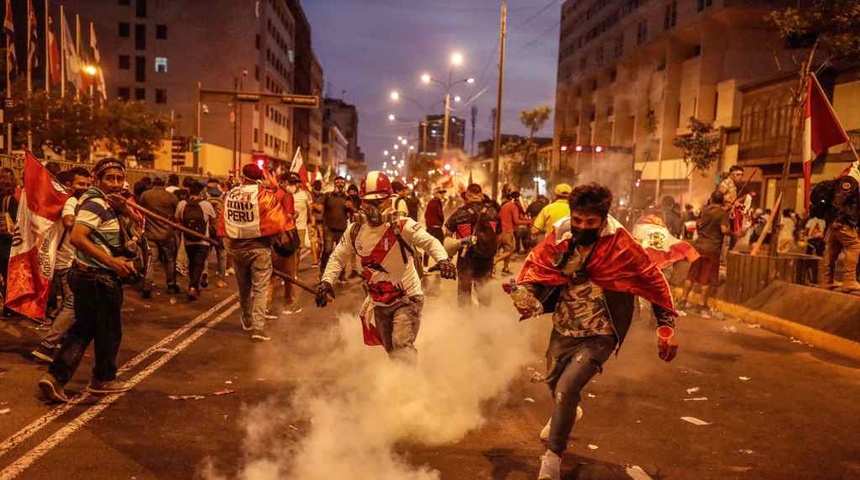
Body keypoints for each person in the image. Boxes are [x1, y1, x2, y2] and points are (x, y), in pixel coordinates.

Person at [509, 183, 678, 480]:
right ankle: (569, 411)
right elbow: (538, 266)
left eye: (590, 222)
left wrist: (666, 325)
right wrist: (526, 293)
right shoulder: (561, 235)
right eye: (578, 220)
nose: (582, 227)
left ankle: (552, 458)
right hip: (564, 326)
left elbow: (652, 280)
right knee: (554, 384)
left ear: (602, 220)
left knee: (566, 388)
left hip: (602, 331)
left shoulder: (621, 244)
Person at [315, 171, 456, 361]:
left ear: (389, 201)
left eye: (378, 202)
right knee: (390, 349)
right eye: (368, 203)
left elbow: (430, 242)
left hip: (407, 298)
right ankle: (398, 383)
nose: (373, 208)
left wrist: (443, 260)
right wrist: (326, 281)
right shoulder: (355, 230)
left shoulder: (403, 225)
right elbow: (338, 257)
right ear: (361, 202)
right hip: (379, 301)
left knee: (401, 345)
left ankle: (409, 387)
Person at [38, 159, 140, 403]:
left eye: (119, 178)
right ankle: (103, 379)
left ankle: (54, 378)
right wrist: (113, 262)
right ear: (97, 179)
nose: (115, 184)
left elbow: (137, 229)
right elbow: (77, 237)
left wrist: (125, 210)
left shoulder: (109, 203)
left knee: (83, 329)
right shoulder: (94, 204)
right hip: (97, 278)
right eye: (109, 179)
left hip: (91, 276)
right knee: (109, 332)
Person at [220, 164, 291, 341]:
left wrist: (227, 243)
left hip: (237, 249)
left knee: (244, 289)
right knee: (260, 289)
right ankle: (258, 328)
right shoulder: (265, 196)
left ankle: (247, 320)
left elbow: (224, 220)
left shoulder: (231, 195)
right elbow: (279, 222)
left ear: (243, 176)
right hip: (260, 249)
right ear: (259, 177)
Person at [31, 168, 91, 362]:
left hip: (62, 261)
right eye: (81, 184)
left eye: (88, 184)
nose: (85, 188)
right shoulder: (72, 202)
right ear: (69, 185)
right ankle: (47, 346)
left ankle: (60, 342)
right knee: (74, 304)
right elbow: (68, 221)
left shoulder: (71, 201)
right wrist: (85, 223)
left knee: (70, 305)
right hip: (67, 263)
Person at [679, 191, 746, 316]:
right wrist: (735, 234)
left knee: (691, 275)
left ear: (711, 199)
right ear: (722, 201)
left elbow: (705, 220)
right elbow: (724, 229)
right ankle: (701, 304)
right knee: (707, 278)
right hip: (712, 249)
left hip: (698, 247)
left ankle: (683, 300)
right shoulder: (722, 213)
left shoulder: (704, 211)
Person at [445, 183, 501, 307]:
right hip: (486, 257)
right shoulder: (492, 212)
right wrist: (492, 252)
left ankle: (465, 321)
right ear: (481, 195)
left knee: (464, 292)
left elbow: (447, 234)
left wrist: (451, 251)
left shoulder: (460, 212)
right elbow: (498, 236)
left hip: (466, 256)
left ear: (467, 195)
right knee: (484, 291)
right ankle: (484, 320)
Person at [139, 177, 179, 297]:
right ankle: (171, 285)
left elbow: (142, 208)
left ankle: (147, 285)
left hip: (150, 233)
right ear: (165, 183)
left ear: (153, 182)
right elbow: (175, 214)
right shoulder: (171, 197)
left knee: (150, 260)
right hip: (167, 234)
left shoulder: (145, 195)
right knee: (169, 260)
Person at [176, 181, 217, 300]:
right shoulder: (206, 205)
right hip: (203, 240)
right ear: (200, 192)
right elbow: (214, 221)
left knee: (192, 263)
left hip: (188, 240)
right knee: (199, 264)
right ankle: (193, 287)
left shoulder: (182, 204)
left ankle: (194, 286)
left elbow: (177, 220)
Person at [268, 172, 300, 316]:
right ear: (283, 182)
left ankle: (265, 307)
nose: (294, 186)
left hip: (271, 239)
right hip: (285, 240)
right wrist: (295, 215)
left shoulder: (273, 196)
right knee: (288, 275)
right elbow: (287, 217)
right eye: (292, 183)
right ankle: (288, 304)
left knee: (270, 277)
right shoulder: (287, 196)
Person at [821, 173, 860, 292]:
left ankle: (827, 281)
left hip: (836, 222)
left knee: (833, 249)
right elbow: (839, 201)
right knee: (854, 246)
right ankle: (849, 281)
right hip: (842, 222)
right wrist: (839, 219)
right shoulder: (850, 181)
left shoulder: (846, 181)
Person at [319, 176, 350, 277]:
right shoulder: (328, 196)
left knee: (340, 252)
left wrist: (350, 206)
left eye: (342, 184)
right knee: (327, 250)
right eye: (338, 183)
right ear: (334, 184)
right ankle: (323, 270)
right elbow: (318, 204)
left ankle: (341, 274)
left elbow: (353, 210)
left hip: (341, 229)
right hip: (328, 228)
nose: (340, 186)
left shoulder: (347, 198)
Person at [497, 191, 531, 274]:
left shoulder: (505, 205)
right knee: (510, 251)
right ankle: (494, 262)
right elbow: (516, 221)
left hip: (500, 231)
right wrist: (528, 222)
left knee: (506, 250)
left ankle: (505, 268)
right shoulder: (513, 207)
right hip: (508, 231)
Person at [205, 179, 228, 288]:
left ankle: (204, 273)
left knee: (206, 254)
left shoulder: (206, 203)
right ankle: (221, 280)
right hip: (220, 231)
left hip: (208, 231)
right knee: (222, 254)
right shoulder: (223, 203)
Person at [423, 187, 446, 267]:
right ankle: (427, 265)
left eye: (443, 193)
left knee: (432, 246)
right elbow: (438, 215)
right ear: (436, 193)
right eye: (440, 193)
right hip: (434, 228)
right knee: (433, 246)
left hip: (434, 227)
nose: (442, 194)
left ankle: (429, 265)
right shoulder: (434, 203)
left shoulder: (436, 202)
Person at [310, 180, 325, 266]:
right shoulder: (310, 195)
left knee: (320, 242)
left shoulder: (322, 196)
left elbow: (320, 208)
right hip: (314, 222)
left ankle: (317, 258)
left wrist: (313, 206)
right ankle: (315, 260)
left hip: (321, 222)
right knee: (313, 241)